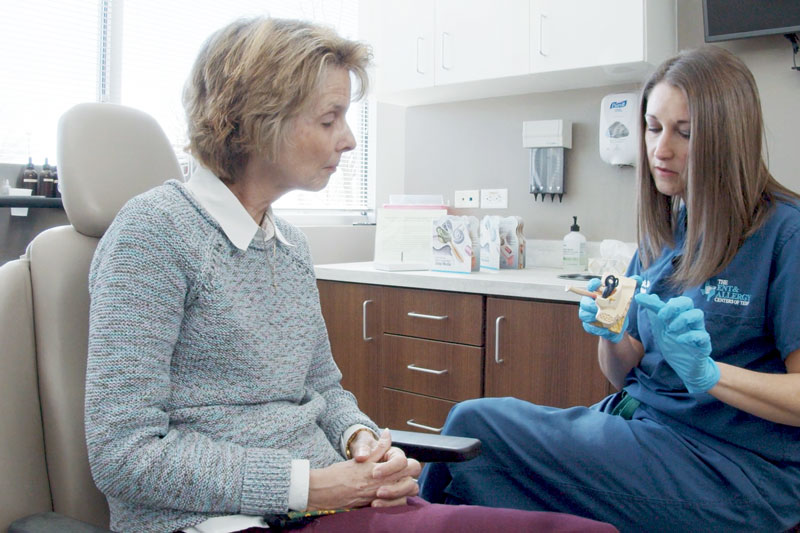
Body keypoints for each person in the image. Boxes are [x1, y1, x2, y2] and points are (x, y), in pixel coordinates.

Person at [85, 17, 618, 533]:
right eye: (328, 119)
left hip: (327, 506)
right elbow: (124, 453)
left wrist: (360, 441)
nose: (348, 140)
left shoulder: (288, 245)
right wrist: (311, 488)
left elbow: (323, 388)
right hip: (221, 521)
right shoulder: (153, 235)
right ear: (257, 120)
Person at [418, 45, 800, 532]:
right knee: (478, 443)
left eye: (686, 133)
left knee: (475, 428)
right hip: (641, 428)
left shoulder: (785, 235)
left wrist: (709, 376)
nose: (661, 149)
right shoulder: (667, 233)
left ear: (729, 139)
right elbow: (623, 376)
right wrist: (613, 333)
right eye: (653, 127)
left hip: (734, 469)